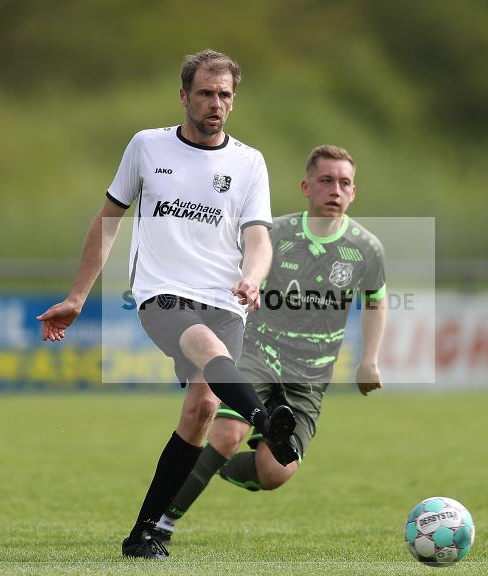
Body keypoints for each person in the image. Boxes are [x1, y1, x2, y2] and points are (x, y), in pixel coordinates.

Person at [36, 49, 299, 560]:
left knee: (202, 407)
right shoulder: (147, 147)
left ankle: (144, 533)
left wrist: (251, 277)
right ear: (183, 96)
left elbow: (260, 239)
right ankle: (266, 421)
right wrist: (77, 296)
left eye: (224, 95)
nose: (215, 103)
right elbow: (107, 221)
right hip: (162, 295)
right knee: (202, 347)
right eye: (205, 93)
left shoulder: (249, 162)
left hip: (226, 299)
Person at [153, 145, 387, 543]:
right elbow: (233, 270)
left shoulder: (367, 248)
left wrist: (369, 361)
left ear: (353, 192)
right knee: (226, 433)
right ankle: (161, 523)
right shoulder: (275, 234)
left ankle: (216, 464)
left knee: (275, 472)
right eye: (326, 180)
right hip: (258, 353)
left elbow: (376, 303)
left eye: (344, 183)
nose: (335, 189)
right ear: (306, 187)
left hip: (310, 374)